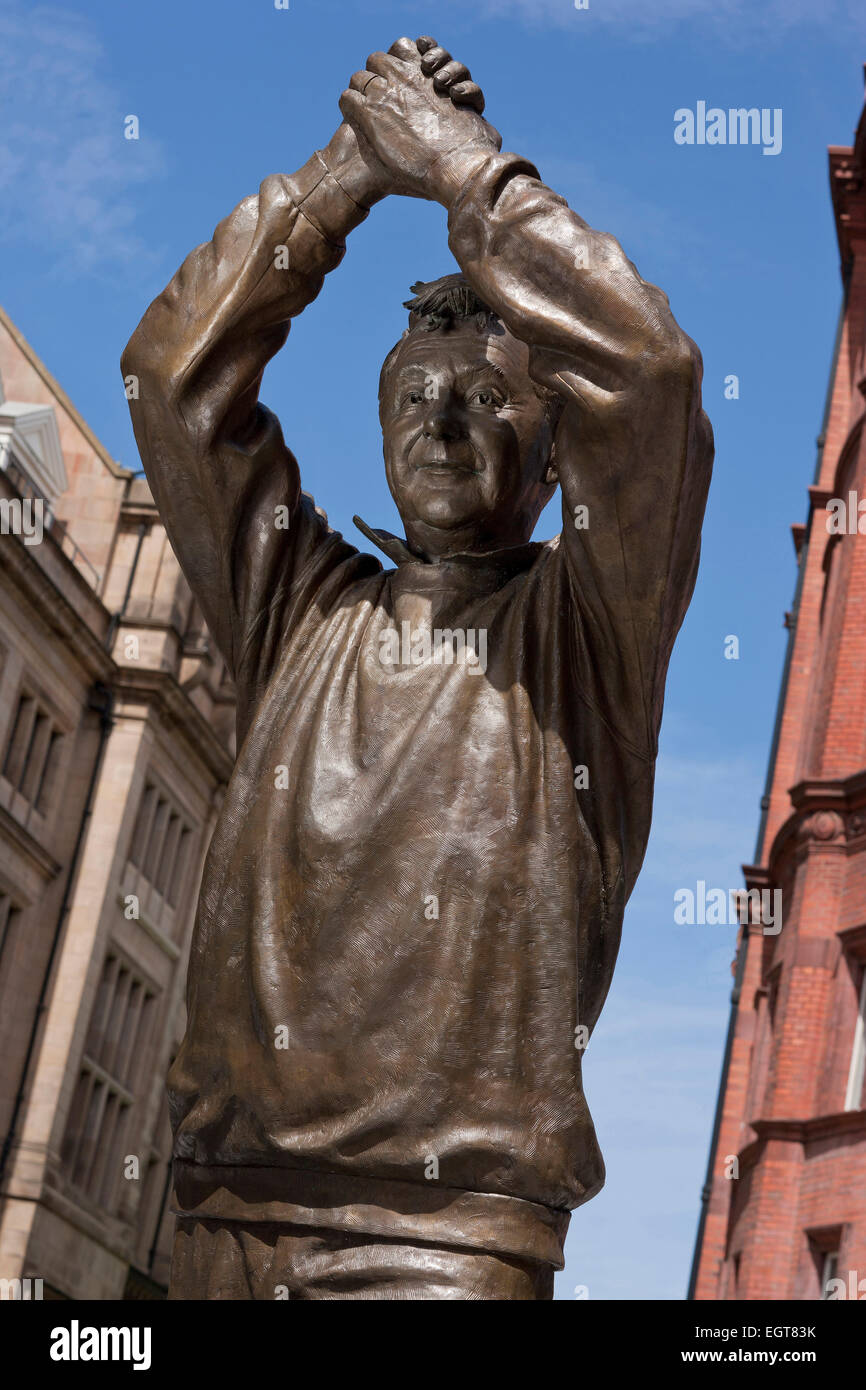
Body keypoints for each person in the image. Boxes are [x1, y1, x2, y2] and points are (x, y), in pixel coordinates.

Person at [122, 35, 713, 1300]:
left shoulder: (586, 638)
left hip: (440, 1247)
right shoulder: (295, 607)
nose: (439, 423)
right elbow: (172, 382)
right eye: (412, 396)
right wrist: (341, 177)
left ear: (553, 462)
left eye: (487, 401)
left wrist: (459, 171)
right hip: (218, 1214)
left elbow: (650, 375)